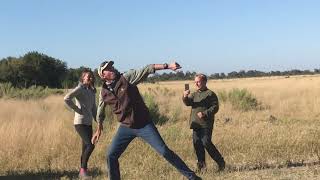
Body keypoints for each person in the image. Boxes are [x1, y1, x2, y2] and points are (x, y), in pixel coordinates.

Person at [91, 61, 201, 180]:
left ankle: (192, 177)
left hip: (144, 124)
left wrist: (167, 66)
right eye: (108, 69)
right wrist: (99, 129)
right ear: (102, 75)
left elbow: (148, 68)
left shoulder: (126, 78)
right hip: (126, 127)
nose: (112, 69)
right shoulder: (104, 92)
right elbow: (100, 111)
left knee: (164, 151)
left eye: (112, 66)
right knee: (111, 155)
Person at [182, 73, 225, 172]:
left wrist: (205, 113)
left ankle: (221, 162)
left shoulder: (210, 94)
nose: (196, 84)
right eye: (195, 82)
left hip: (206, 124)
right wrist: (184, 96)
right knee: (197, 144)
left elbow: (215, 107)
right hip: (195, 124)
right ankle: (201, 167)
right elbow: (188, 103)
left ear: (204, 82)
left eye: (198, 81)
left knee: (206, 142)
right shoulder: (194, 94)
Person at [64, 69, 97, 178]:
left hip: (89, 122)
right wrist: (76, 109)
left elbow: (93, 107)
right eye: (88, 77)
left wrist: (98, 120)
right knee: (90, 145)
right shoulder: (80, 89)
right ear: (83, 78)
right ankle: (83, 170)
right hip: (80, 122)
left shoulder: (92, 90)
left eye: (91, 76)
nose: (90, 78)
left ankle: (83, 171)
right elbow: (67, 98)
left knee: (85, 147)